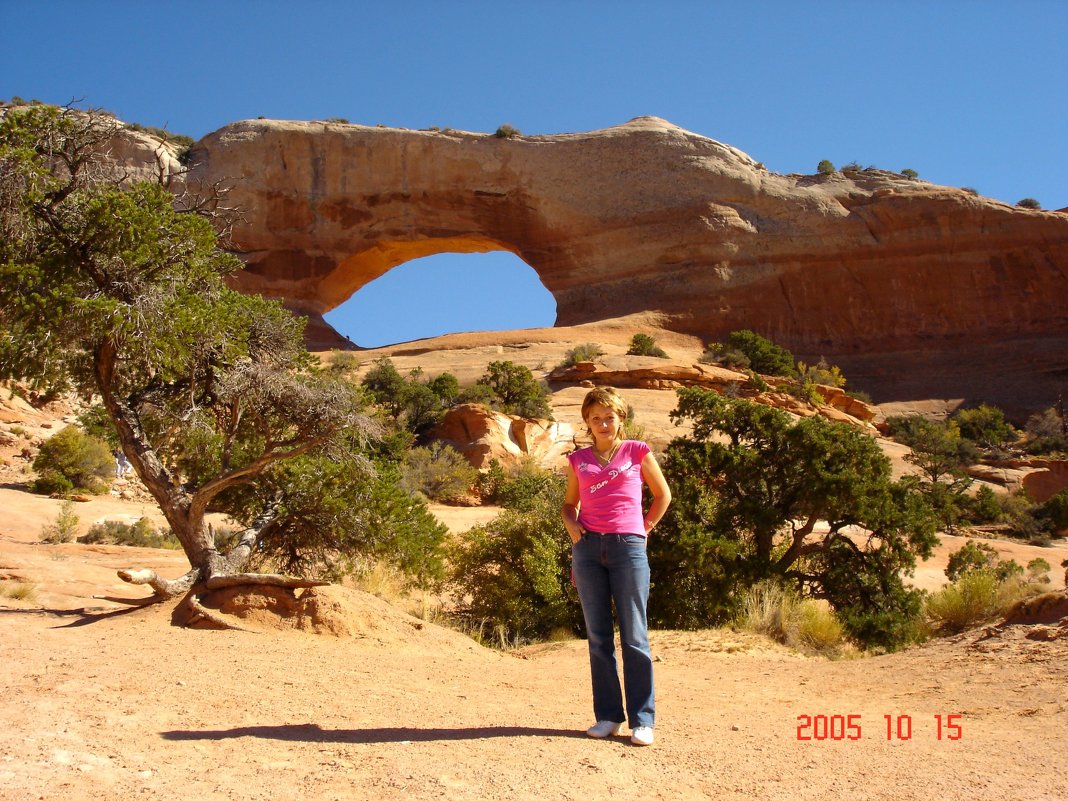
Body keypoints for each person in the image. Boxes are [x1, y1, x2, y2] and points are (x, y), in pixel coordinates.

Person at [561, 386, 671, 746]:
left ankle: (643, 719)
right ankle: (608, 716)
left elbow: (662, 495)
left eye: (609, 417)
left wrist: (645, 528)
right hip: (589, 550)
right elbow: (569, 505)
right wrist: (571, 523)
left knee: (635, 636)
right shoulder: (578, 461)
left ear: (621, 418)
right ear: (587, 422)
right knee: (598, 637)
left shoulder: (637, 451)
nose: (603, 423)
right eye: (596, 418)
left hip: (629, 549)